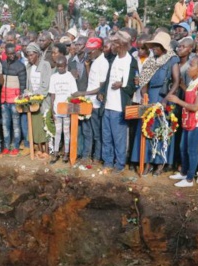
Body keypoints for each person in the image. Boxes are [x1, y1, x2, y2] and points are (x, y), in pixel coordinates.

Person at [130, 32, 179, 175]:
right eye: (153, 46)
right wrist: (144, 94)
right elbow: (144, 81)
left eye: (157, 46)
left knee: (162, 130)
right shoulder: (150, 61)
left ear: (164, 47)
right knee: (147, 128)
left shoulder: (172, 59)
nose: (154, 49)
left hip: (164, 97)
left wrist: (166, 99)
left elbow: (177, 81)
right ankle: (147, 162)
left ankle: (160, 163)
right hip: (150, 96)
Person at [166, 55, 198, 187]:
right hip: (189, 119)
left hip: (197, 121)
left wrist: (178, 101)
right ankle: (184, 172)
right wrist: (181, 85)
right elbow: (191, 93)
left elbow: (196, 106)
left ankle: (189, 179)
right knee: (183, 147)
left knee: (191, 150)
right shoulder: (195, 81)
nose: (188, 68)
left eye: (192, 65)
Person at [99, 31, 138, 173]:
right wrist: (102, 93)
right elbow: (107, 80)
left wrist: (122, 85)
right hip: (108, 105)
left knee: (119, 138)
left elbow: (133, 86)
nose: (112, 46)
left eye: (115, 43)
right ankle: (108, 161)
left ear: (121, 45)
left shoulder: (130, 62)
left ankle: (119, 164)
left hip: (119, 107)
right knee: (107, 136)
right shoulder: (112, 58)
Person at [73, 37, 108, 163]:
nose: (89, 53)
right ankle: (86, 156)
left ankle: (97, 157)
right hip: (89, 101)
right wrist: (87, 67)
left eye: (91, 51)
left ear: (99, 49)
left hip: (96, 104)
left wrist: (83, 93)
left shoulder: (103, 63)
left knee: (96, 133)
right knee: (87, 131)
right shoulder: (95, 61)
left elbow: (101, 87)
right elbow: (92, 80)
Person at [24, 43, 52, 160]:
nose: (29, 58)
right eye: (28, 56)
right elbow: (28, 85)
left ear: (37, 54)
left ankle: (47, 150)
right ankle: (39, 149)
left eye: (31, 55)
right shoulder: (29, 67)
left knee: (44, 125)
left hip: (43, 100)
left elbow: (45, 85)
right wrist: (27, 94)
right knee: (35, 125)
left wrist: (35, 95)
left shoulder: (45, 65)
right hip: (33, 101)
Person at [48, 56, 78, 163]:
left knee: (66, 132)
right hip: (57, 109)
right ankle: (55, 153)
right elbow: (52, 95)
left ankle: (66, 153)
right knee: (57, 131)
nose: (60, 68)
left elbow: (74, 94)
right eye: (58, 66)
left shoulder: (70, 77)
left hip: (67, 109)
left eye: (62, 66)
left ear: (66, 65)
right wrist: (52, 110)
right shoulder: (53, 77)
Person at [0, 43, 26, 155]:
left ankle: (15, 146)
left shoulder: (20, 66)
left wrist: (19, 99)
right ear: (5, 53)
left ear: (16, 53)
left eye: (13, 53)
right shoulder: (2, 65)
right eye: (9, 54)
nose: (11, 56)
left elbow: (23, 85)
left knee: (16, 125)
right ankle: (6, 146)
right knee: (5, 125)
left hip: (14, 100)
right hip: (4, 100)